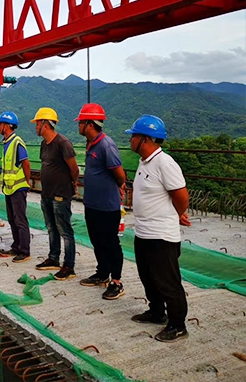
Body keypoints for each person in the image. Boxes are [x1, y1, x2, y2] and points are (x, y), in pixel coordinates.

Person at [127, 114, 191, 343]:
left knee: (168, 281)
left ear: (145, 139)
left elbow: (181, 196)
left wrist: (177, 214)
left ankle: (177, 324)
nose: (130, 140)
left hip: (161, 236)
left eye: (133, 136)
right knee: (148, 276)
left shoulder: (165, 163)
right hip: (144, 232)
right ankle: (156, 312)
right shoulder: (145, 162)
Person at [76, 104, 127, 300]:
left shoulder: (107, 145)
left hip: (107, 206)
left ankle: (116, 281)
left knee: (111, 242)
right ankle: (102, 273)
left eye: (81, 122)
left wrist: (119, 187)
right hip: (92, 204)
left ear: (89, 124)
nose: (78, 126)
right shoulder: (91, 144)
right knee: (97, 241)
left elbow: (120, 175)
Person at [31, 108, 79, 280]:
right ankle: (53, 258)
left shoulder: (63, 143)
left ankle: (69, 265)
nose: (35, 127)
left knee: (65, 230)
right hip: (47, 194)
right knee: (51, 228)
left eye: (37, 123)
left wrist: (72, 184)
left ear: (45, 124)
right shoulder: (44, 144)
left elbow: (74, 169)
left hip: (60, 195)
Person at [0, 111, 32, 263]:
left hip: (18, 188)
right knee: (12, 219)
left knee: (20, 219)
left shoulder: (17, 142)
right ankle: (16, 246)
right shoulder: (7, 142)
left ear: (7, 126)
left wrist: (27, 182)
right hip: (9, 188)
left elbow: (26, 163)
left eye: (0, 124)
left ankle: (24, 250)